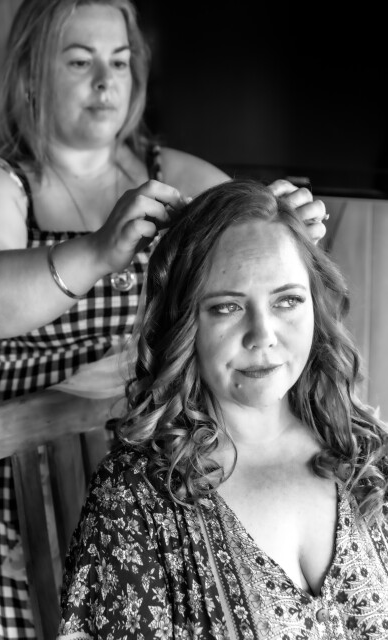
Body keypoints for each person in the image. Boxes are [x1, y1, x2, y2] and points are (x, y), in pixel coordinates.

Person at [0, 0, 327, 637]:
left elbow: (251, 238)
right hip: (19, 481)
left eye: (120, 61)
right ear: (30, 76)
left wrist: (288, 229)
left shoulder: (172, 171)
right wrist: (98, 250)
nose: (107, 81)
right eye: (81, 62)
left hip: (150, 460)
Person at [57, 178, 388, 640]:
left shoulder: (369, 454)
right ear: (183, 323)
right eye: (227, 307)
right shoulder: (134, 498)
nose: (263, 335)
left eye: (288, 300)